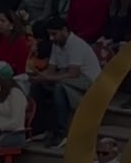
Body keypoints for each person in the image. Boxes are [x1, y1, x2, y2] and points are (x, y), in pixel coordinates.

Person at [29, 18, 100, 148]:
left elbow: (73, 73)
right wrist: (39, 76)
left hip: (87, 81)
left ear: (64, 30)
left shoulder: (76, 44)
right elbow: (51, 69)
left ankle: (62, 133)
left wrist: (49, 78)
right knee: (37, 86)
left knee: (59, 87)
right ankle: (42, 128)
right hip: (67, 75)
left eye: (54, 34)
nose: (51, 38)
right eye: (49, 35)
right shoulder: (56, 45)